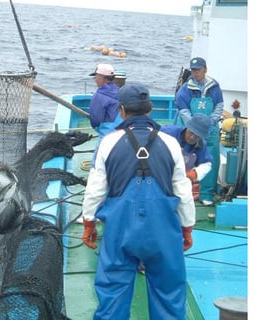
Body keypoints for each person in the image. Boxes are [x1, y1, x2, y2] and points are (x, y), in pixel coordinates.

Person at [81, 83, 196, 319]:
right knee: (169, 292)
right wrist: (187, 227)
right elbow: (183, 192)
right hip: (162, 231)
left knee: (112, 292)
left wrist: (89, 222)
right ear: (150, 108)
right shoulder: (171, 143)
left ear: (121, 110)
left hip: (120, 229)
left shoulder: (108, 142)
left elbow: (95, 189)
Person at [175, 57, 223, 206]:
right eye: (193, 70)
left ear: (205, 69)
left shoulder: (214, 87)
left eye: (198, 69)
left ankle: (206, 193)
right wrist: (193, 126)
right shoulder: (186, 89)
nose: (195, 73)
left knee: (211, 161)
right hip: (192, 131)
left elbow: (219, 106)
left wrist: (211, 121)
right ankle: (185, 192)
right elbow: (183, 109)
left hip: (210, 130)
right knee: (187, 160)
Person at [161, 113, 213, 200]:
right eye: (191, 132)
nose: (192, 137)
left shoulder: (201, 145)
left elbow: (207, 163)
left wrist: (196, 173)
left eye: (197, 136)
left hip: (180, 180)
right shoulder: (167, 132)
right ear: (187, 127)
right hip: (159, 175)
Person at [88, 63, 122, 166]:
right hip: (123, 132)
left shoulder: (99, 96)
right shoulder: (119, 91)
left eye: (97, 77)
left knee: (98, 164)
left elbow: (96, 120)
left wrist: (100, 129)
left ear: (104, 78)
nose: (95, 79)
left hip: (107, 134)